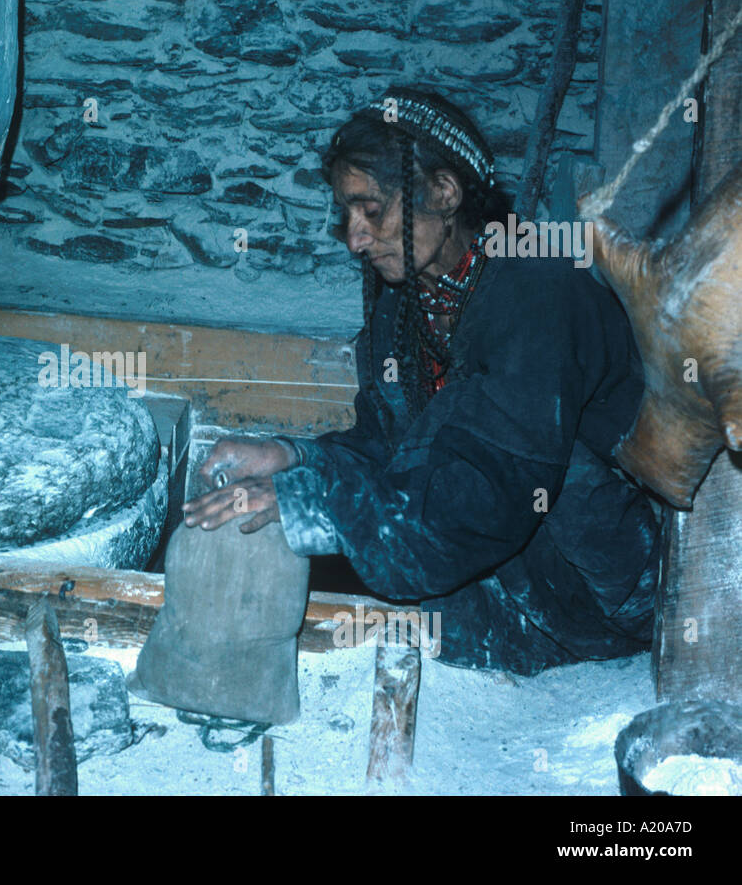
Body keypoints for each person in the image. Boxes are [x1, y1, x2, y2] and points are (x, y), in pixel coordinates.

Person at [180, 87, 662, 676]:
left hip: (597, 597)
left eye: (372, 209)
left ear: (443, 191)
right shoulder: (404, 311)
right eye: (348, 216)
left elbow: (489, 492)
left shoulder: (537, 290)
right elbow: (387, 449)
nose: (356, 238)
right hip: (507, 574)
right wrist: (287, 456)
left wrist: (314, 507)